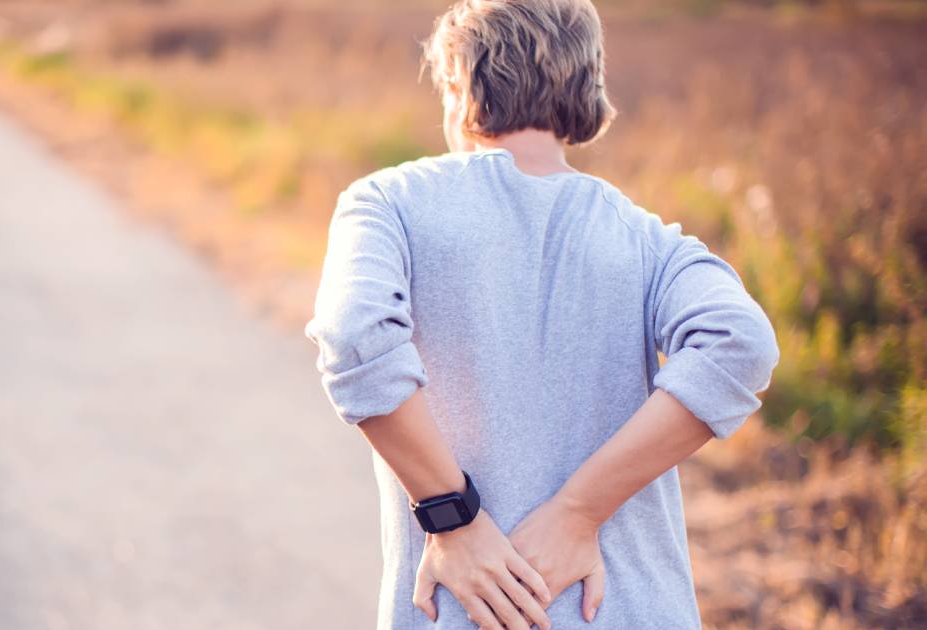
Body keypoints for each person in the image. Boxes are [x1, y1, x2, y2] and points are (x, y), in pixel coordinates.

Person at [303, 0, 781, 628]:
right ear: (588, 89)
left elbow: (356, 336)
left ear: (457, 84)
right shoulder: (646, 240)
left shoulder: (387, 203)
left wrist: (456, 519)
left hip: (464, 609)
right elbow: (741, 345)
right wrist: (578, 514)